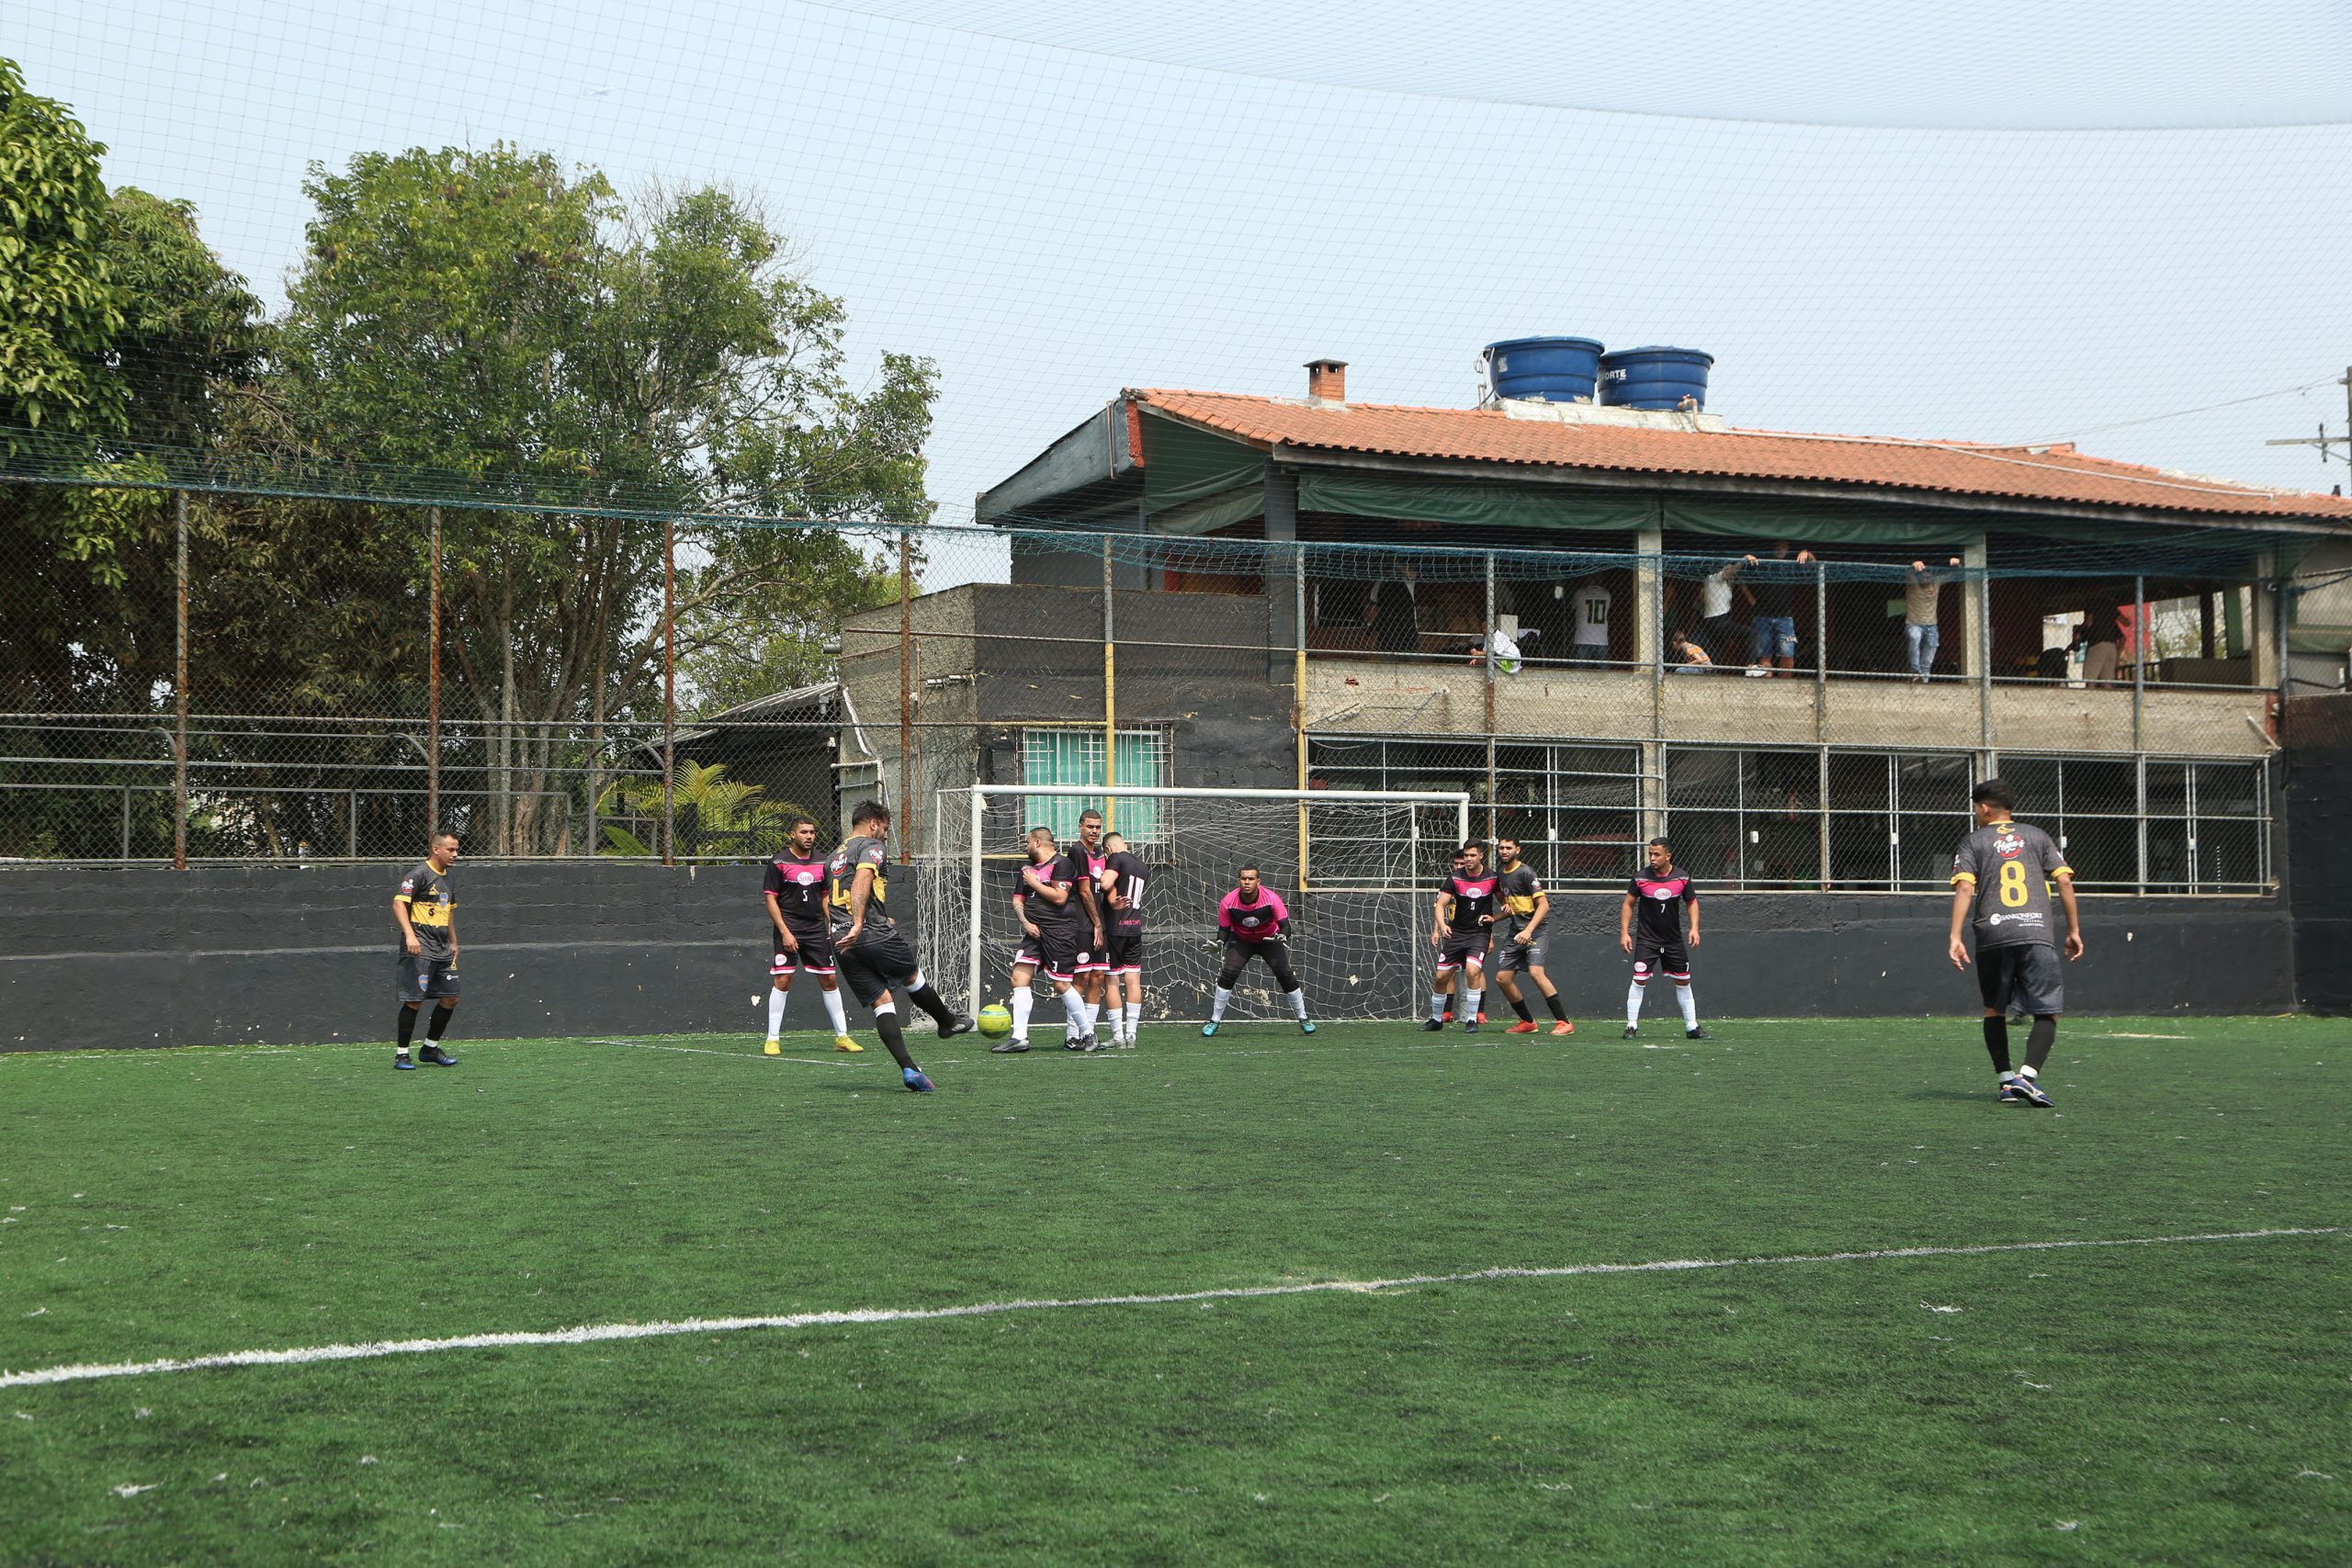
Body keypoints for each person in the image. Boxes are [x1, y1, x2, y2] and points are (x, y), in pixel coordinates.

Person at [1947, 777, 2082, 1107]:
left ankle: (2007, 1081)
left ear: (1984, 808)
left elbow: (1965, 888)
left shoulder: (1973, 841)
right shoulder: (2037, 836)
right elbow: (2064, 880)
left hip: (1993, 933)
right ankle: (2027, 1076)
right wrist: (2074, 929)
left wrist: (1955, 935)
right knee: (2048, 1011)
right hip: (2035, 931)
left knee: (1994, 1009)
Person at [828, 800, 973, 1091]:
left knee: (882, 1003)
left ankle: (909, 1069)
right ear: (874, 823)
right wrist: (860, 923)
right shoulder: (871, 846)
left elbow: (829, 899)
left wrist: (848, 924)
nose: (885, 835)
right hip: (868, 932)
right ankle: (946, 1022)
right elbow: (861, 880)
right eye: (885, 828)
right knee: (912, 976)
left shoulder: (834, 855)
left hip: (840, 939)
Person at [762, 815, 858, 1055]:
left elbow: (825, 896)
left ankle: (842, 1037)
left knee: (830, 980)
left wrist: (833, 922)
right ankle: (772, 1039)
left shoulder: (823, 862)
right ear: (792, 835)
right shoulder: (779, 862)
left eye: (812, 833)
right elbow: (770, 900)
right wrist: (785, 932)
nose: (809, 837)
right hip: (789, 929)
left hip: (816, 930)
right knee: (783, 980)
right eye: (804, 832)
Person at [998, 826, 1097, 1054]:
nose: (1025, 847)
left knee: (1061, 983)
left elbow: (1060, 897)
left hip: (1059, 932)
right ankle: (1019, 1037)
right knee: (1019, 977)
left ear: (1038, 842)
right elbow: (1017, 901)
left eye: (1027, 842)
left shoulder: (1062, 864)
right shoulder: (1027, 869)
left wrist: (1034, 883)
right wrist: (1026, 923)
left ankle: (1088, 1033)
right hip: (1033, 933)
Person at [1202, 866, 1315, 1036]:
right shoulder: (1228, 902)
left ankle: (1304, 1018)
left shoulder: (1271, 899)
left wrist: (1282, 937)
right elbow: (1224, 929)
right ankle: (1214, 1021)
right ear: (1239, 881)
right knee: (1228, 973)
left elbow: (1285, 926)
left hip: (1270, 940)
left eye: (1251, 879)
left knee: (1285, 974)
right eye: (1244, 878)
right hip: (1241, 940)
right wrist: (1219, 942)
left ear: (1258, 881)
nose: (1247, 882)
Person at [1620, 837, 1707, 1039]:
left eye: (1656, 854)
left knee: (1683, 981)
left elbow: (1692, 902)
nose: (1652, 858)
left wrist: (1694, 928)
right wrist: (1624, 932)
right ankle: (1631, 1026)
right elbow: (1628, 904)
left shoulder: (1682, 878)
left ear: (1668, 856)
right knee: (1639, 980)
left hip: (1673, 941)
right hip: (1647, 940)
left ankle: (1691, 1027)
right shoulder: (1640, 878)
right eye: (1650, 853)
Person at [391, 829, 463, 1069]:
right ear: (436, 849)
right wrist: (410, 935)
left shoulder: (450, 878)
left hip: (443, 948)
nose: (455, 854)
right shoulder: (418, 874)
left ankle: (430, 1048)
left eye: (457, 850)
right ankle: (402, 1054)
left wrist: (453, 941)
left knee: (451, 997)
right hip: (419, 947)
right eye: (450, 849)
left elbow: (449, 911)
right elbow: (399, 904)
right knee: (415, 1000)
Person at [1489, 836, 1574, 1035]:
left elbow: (1544, 905)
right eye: (1501, 848)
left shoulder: (1526, 872)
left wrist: (1528, 931)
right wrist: (1493, 919)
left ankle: (1564, 1022)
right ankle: (1527, 1022)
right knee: (1502, 978)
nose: (1504, 851)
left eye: (1508, 847)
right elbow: (1511, 907)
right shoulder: (1501, 875)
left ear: (1517, 850)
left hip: (1535, 931)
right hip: (1515, 933)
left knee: (1537, 973)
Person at [1426, 840, 1498, 1032]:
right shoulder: (1455, 878)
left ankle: (1472, 1019)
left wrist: (1497, 917)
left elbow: (1505, 903)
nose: (1468, 859)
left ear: (1481, 856)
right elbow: (1440, 905)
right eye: (1466, 855)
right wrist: (1441, 925)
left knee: (1473, 972)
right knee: (1441, 977)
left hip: (1479, 934)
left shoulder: (1492, 878)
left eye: (1472, 855)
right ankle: (1436, 1020)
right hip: (1457, 933)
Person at [1098, 831, 1150, 1048]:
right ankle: (1132, 1035)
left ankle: (1118, 1036)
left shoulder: (1116, 858)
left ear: (1108, 849)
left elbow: (1105, 882)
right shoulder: (1143, 866)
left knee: (1112, 981)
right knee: (1133, 981)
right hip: (1134, 929)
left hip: (1115, 928)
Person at [1741, 541, 1816, 677]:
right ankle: (1768, 691)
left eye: (1782, 547)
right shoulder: (1762, 563)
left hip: (1784, 617)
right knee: (1765, 656)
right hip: (1762, 615)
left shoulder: (1792, 565)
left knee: (1788, 655)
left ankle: (1785, 689)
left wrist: (1807, 553)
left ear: (1787, 549)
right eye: (1776, 546)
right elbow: (1740, 574)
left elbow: (1814, 565)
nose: (1779, 549)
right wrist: (1746, 558)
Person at [1071, 808, 1112, 1043]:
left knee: (1098, 976)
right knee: (1081, 978)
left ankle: (1090, 1031)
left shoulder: (1100, 853)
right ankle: (1074, 1033)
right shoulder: (1077, 851)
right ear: (1080, 827)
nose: (1094, 831)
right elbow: (1085, 892)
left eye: (1098, 827)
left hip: (1101, 923)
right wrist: (1096, 924)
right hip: (1083, 924)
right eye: (1090, 826)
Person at [1905, 558, 1962, 682]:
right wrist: (1913, 565)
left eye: (1928, 577)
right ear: (1919, 577)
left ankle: (1924, 679)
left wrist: (1957, 565)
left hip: (1932, 625)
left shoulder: (1936, 582)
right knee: (1914, 638)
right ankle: (1915, 671)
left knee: (1931, 650)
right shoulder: (1913, 583)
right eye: (1924, 577)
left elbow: (1955, 574)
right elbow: (1908, 573)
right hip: (1914, 623)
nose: (1926, 579)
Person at [1696, 557, 1745, 669]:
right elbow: (1728, 573)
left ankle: (1711, 670)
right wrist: (1744, 560)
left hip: (1725, 617)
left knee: (1716, 649)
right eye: (1727, 568)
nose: (1730, 571)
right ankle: (1750, 666)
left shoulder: (1726, 584)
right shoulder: (1713, 578)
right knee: (1751, 634)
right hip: (1716, 619)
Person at [1369, 566, 1420, 656]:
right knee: (1387, 658)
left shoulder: (1407, 579)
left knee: (1411, 657)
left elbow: (1414, 575)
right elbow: (1373, 605)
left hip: (1407, 624)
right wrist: (1372, 627)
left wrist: (1396, 564)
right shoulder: (1381, 581)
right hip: (1387, 626)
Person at [2082, 594, 2123, 687]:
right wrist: (2118, 655)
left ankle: (2088, 698)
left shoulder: (2092, 604)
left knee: (2090, 680)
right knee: (2107, 682)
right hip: (2112, 647)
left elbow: (2089, 622)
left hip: (2098, 645)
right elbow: (2126, 625)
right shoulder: (2111, 622)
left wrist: (2083, 629)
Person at [1569, 577, 1612, 664]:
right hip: (1601, 638)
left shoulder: (1580, 593)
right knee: (1605, 671)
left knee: (1580, 670)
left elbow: (1572, 607)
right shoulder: (1606, 594)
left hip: (1583, 637)